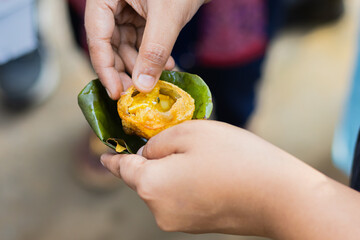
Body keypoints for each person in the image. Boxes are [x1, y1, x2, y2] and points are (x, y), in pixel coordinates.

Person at [85, 0, 360, 239]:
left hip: (239, 25)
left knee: (236, 91)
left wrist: (265, 197)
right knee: (116, 56)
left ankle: (240, 126)